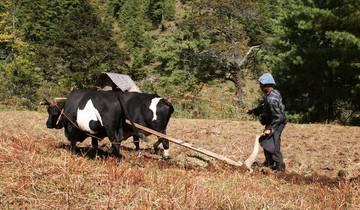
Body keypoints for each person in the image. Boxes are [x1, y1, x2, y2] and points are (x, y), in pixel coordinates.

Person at [247, 73, 287, 172]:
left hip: (277, 122)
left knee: (273, 144)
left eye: (261, 85)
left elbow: (278, 116)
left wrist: (271, 129)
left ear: (267, 85)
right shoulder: (271, 94)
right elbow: (264, 106)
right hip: (273, 121)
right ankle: (269, 162)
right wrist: (253, 111)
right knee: (265, 141)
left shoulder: (271, 99)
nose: (260, 87)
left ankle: (279, 168)